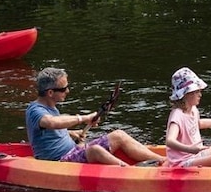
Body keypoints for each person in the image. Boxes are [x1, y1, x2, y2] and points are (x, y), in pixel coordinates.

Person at [26, 67, 166, 166]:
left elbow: (49, 132)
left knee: (119, 135)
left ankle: (163, 160)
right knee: (94, 150)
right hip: (58, 161)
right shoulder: (35, 110)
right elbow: (51, 123)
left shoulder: (51, 107)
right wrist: (83, 118)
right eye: (63, 89)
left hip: (74, 150)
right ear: (50, 93)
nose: (67, 91)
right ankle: (129, 171)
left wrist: (72, 133)